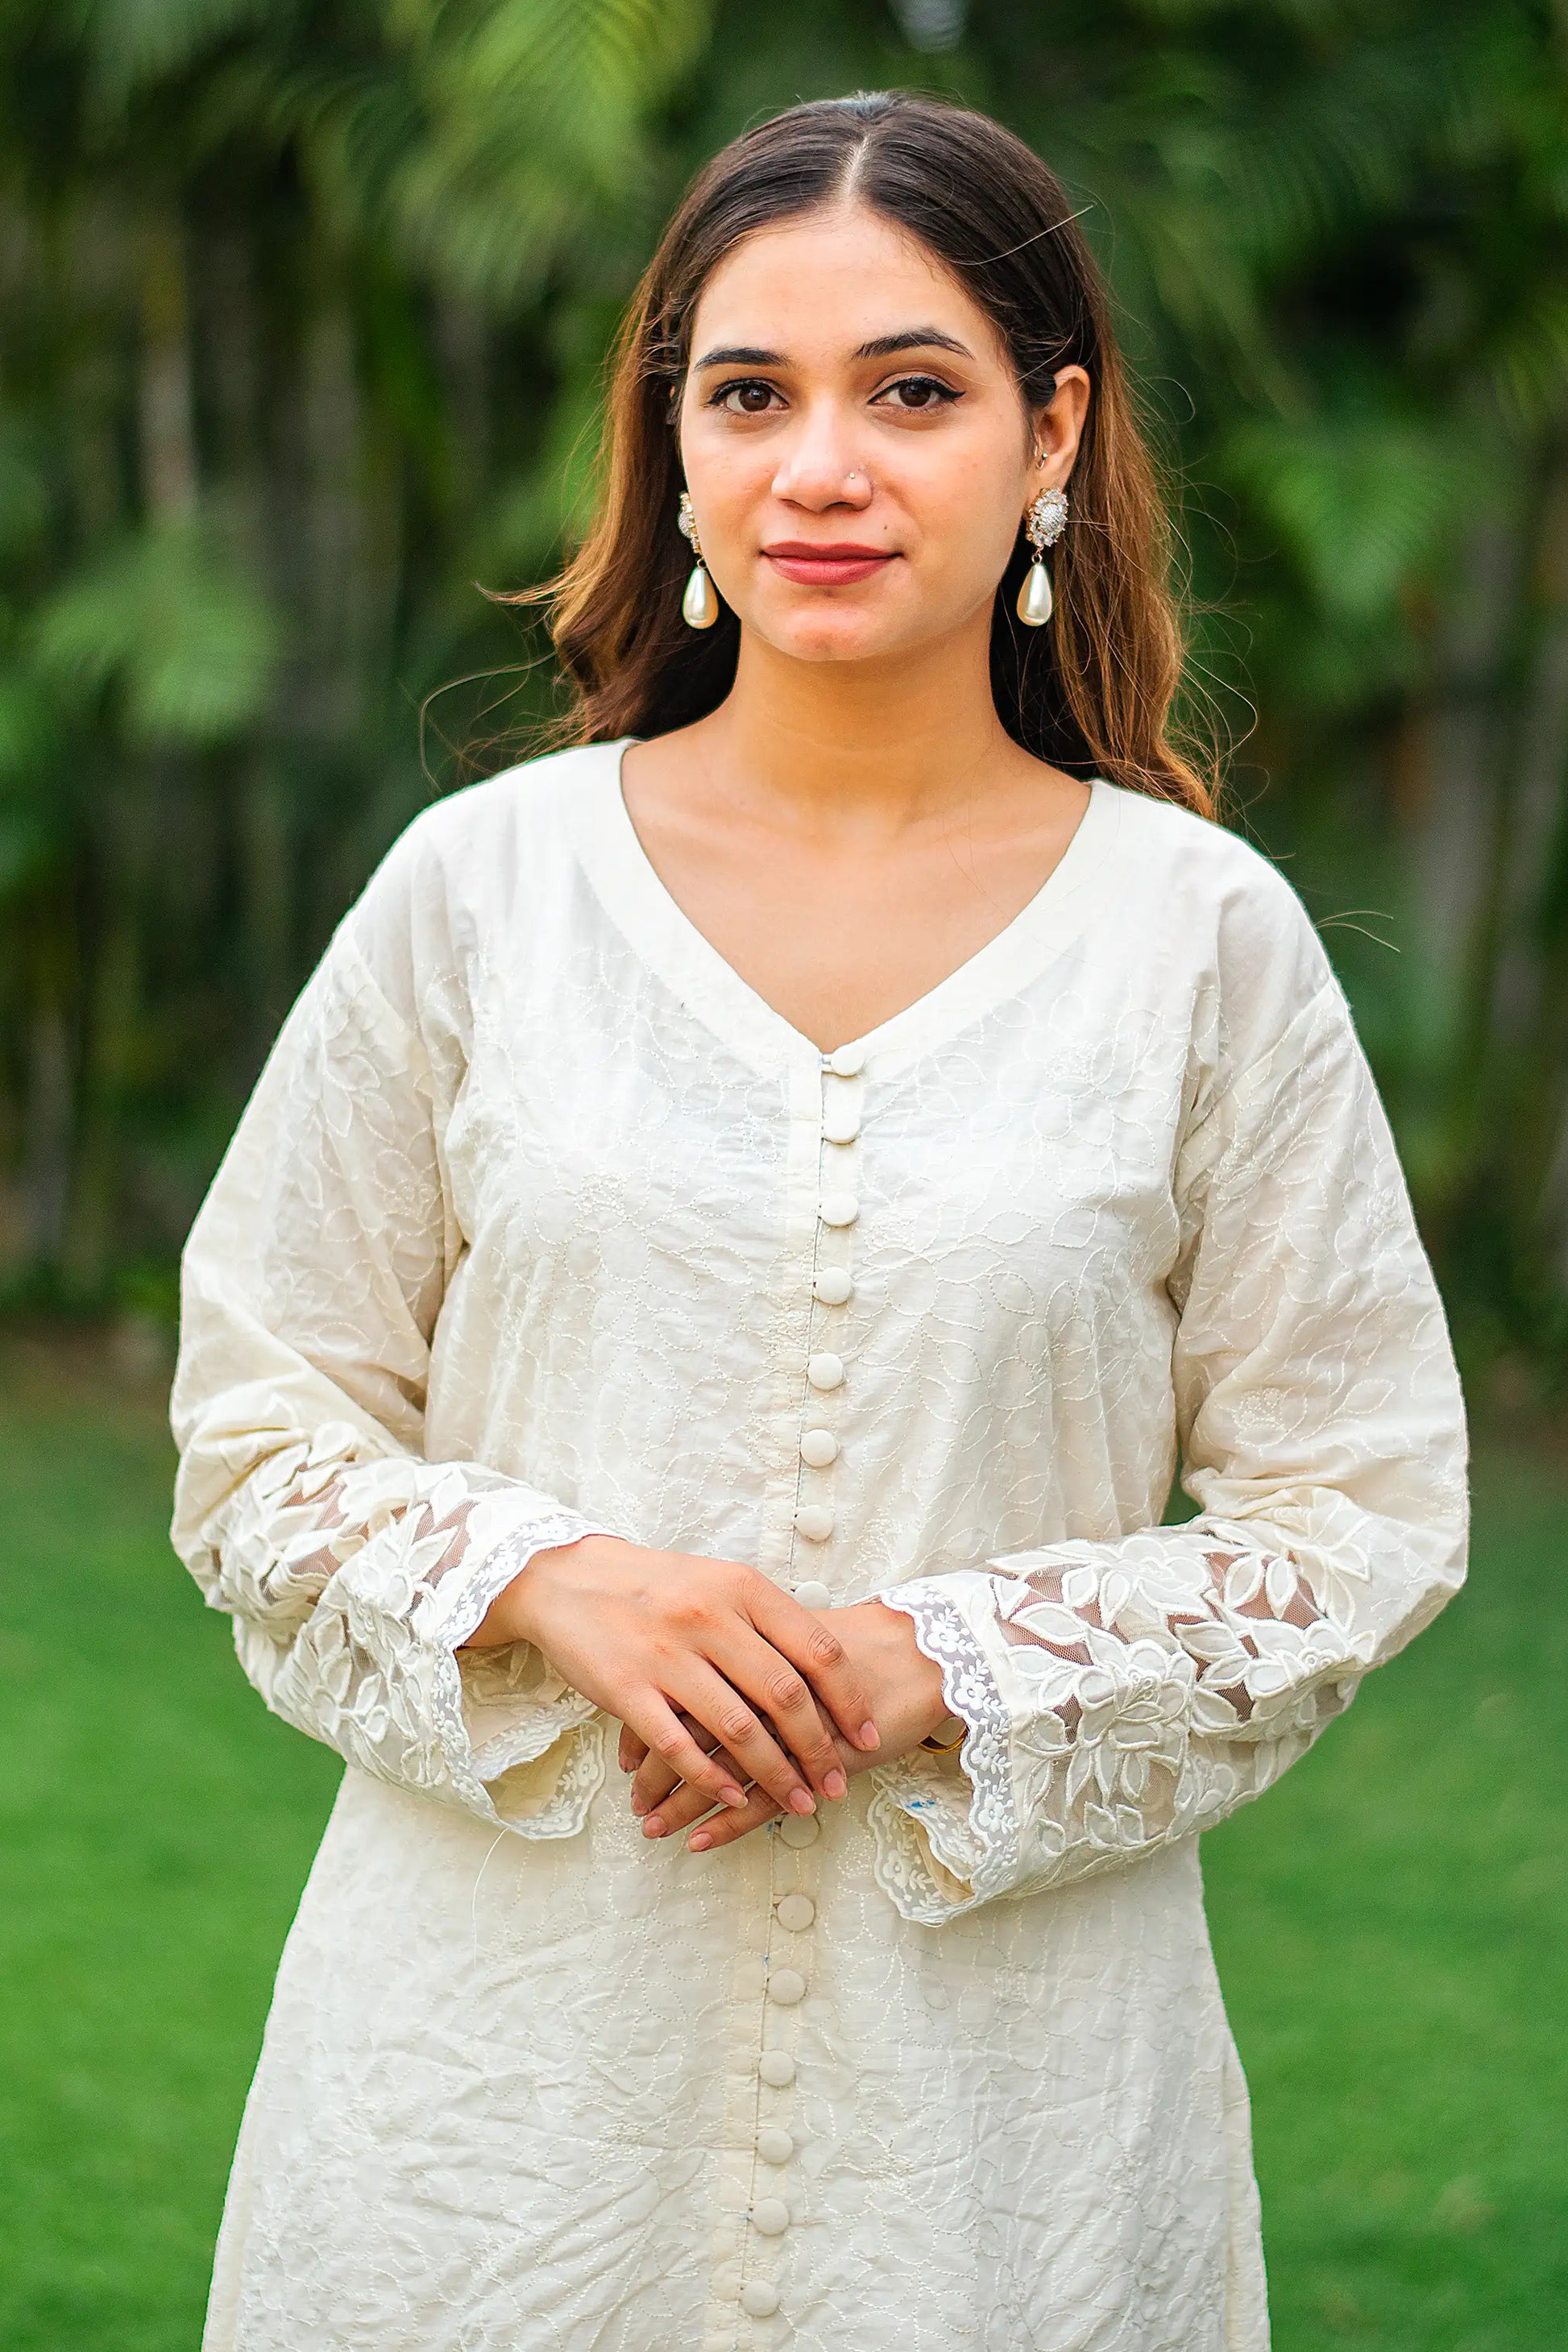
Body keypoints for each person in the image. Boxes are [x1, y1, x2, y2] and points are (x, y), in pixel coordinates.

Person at [170, 89, 1467, 2352]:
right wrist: (550, 1582)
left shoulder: (1201, 943)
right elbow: (258, 1428)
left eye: (912, 391)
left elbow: (1358, 1508)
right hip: (491, 2107)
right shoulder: (477, 898)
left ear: (1047, 436)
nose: (821, 467)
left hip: (1004, 2123)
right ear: (671, 448)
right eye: (747, 394)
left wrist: (939, 1661)